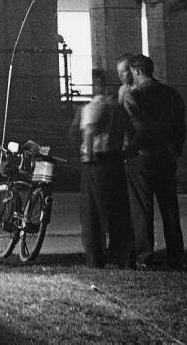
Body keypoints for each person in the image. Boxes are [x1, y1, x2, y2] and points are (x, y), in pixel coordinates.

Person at [117, 52, 186, 269]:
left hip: (142, 158)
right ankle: (176, 256)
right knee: (170, 208)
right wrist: (175, 150)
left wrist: (129, 151)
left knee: (142, 209)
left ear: (136, 71)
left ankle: (145, 256)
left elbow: (138, 127)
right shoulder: (172, 94)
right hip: (166, 157)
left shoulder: (134, 95)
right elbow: (180, 127)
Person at [70, 71, 134, 268]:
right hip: (115, 160)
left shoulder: (92, 107)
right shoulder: (119, 108)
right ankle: (124, 257)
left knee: (92, 213)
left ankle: (95, 258)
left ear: (95, 86)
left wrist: (87, 155)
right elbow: (130, 134)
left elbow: (88, 133)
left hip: (96, 162)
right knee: (119, 211)